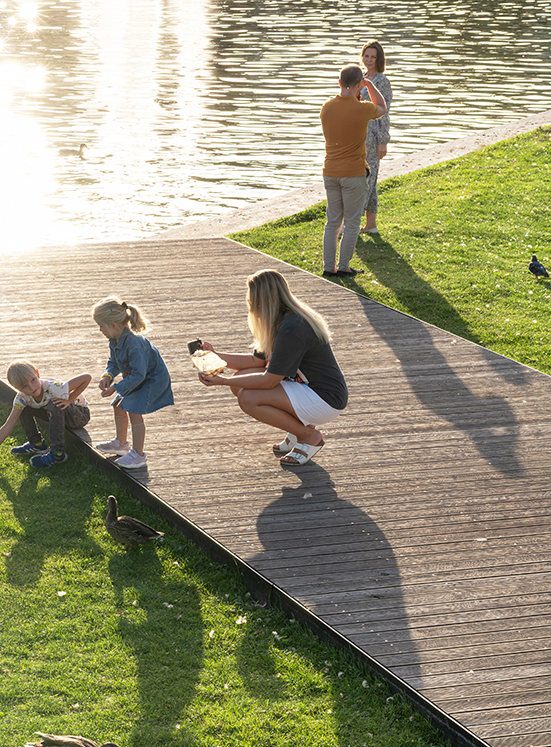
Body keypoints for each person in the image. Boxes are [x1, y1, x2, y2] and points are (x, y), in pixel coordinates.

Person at [196, 269, 347, 466]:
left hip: (325, 398)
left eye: (251, 298)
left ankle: (307, 435)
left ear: (262, 300)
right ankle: (298, 429)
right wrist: (215, 355)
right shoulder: (282, 320)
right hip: (307, 388)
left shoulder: (292, 328)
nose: (249, 303)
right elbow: (255, 362)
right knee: (240, 382)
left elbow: (269, 381)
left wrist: (222, 381)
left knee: (248, 397)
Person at [321, 62, 388, 277]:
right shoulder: (363, 108)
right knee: (351, 222)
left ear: (339, 82)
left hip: (331, 171)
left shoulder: (326, 107)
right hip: (354, 173)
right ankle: (343, 266)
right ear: (359, 84)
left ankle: (328, 267)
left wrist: (360, 86)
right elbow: (382, 107)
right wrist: (370, 85)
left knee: (332, 222)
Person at [92, 297, 174, 470]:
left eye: (101, 326)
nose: (100, 330)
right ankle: (121, 444)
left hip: (152, 380)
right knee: (118, 405)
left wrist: (116, 387)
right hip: (137, 377)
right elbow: (114, 362)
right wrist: (108, 375)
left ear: (113, 325)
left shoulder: (135, 345)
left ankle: (138, 455)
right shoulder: (115, 339)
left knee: (133, 410)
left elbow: (139, 375)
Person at [0, 361, 91, 468]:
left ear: (37, 374)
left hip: (79, 415)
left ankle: (57, 454)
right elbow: (8, 425)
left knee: (54, 405)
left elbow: (86, 377)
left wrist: (69, 399)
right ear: (18, 389)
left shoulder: (54, 388)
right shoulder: (22, 398)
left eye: (33, 380)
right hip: (57, 414)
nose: (32, 387)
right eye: (25, 386)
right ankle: (37, 443)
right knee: (22, 407)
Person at [359, 40, 392, 234]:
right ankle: (371, 225)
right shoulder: (360, 77)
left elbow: (385, 113)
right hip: (359, 134)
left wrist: (383, 141)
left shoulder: (382, 81)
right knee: (370, 178)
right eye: (366, 56)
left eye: (373, 57)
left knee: (366, 179)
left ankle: (352, 223)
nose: (369, 60)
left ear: (379, 59)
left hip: (372, 136)